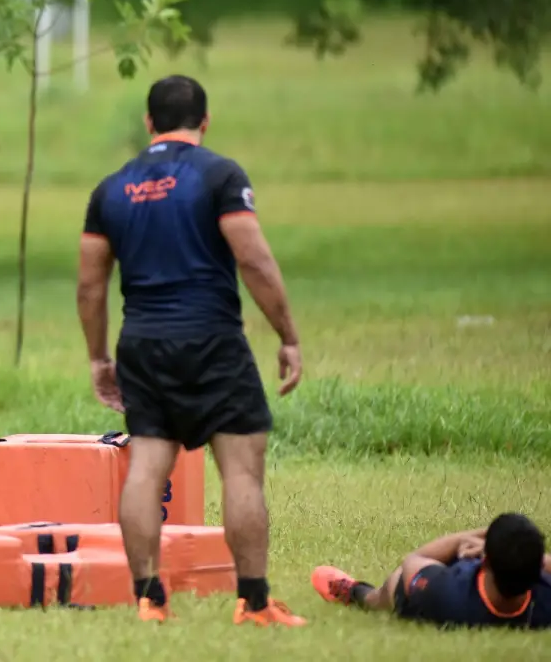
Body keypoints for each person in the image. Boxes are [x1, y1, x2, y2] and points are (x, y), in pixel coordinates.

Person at [76, 74, 305, 626]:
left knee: (147, 468)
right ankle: (252, 602)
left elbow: (90, 285)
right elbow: (253, 259)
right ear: (205, 122)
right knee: (242, 474)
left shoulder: (111, 189)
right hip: (213, 340)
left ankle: (149, 599)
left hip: (143, 343)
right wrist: (288, 335)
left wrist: (99, 358)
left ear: (149, 123)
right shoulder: (221, 175)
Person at [312, 512, 551, 629]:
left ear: (485, 562)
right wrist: (506, 546)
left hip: (427, 594)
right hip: (494, 577)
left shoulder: (445, 592)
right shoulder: (544, 602)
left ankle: (357, 593)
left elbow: (414, 561)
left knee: (394, 585)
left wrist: (466, 540)